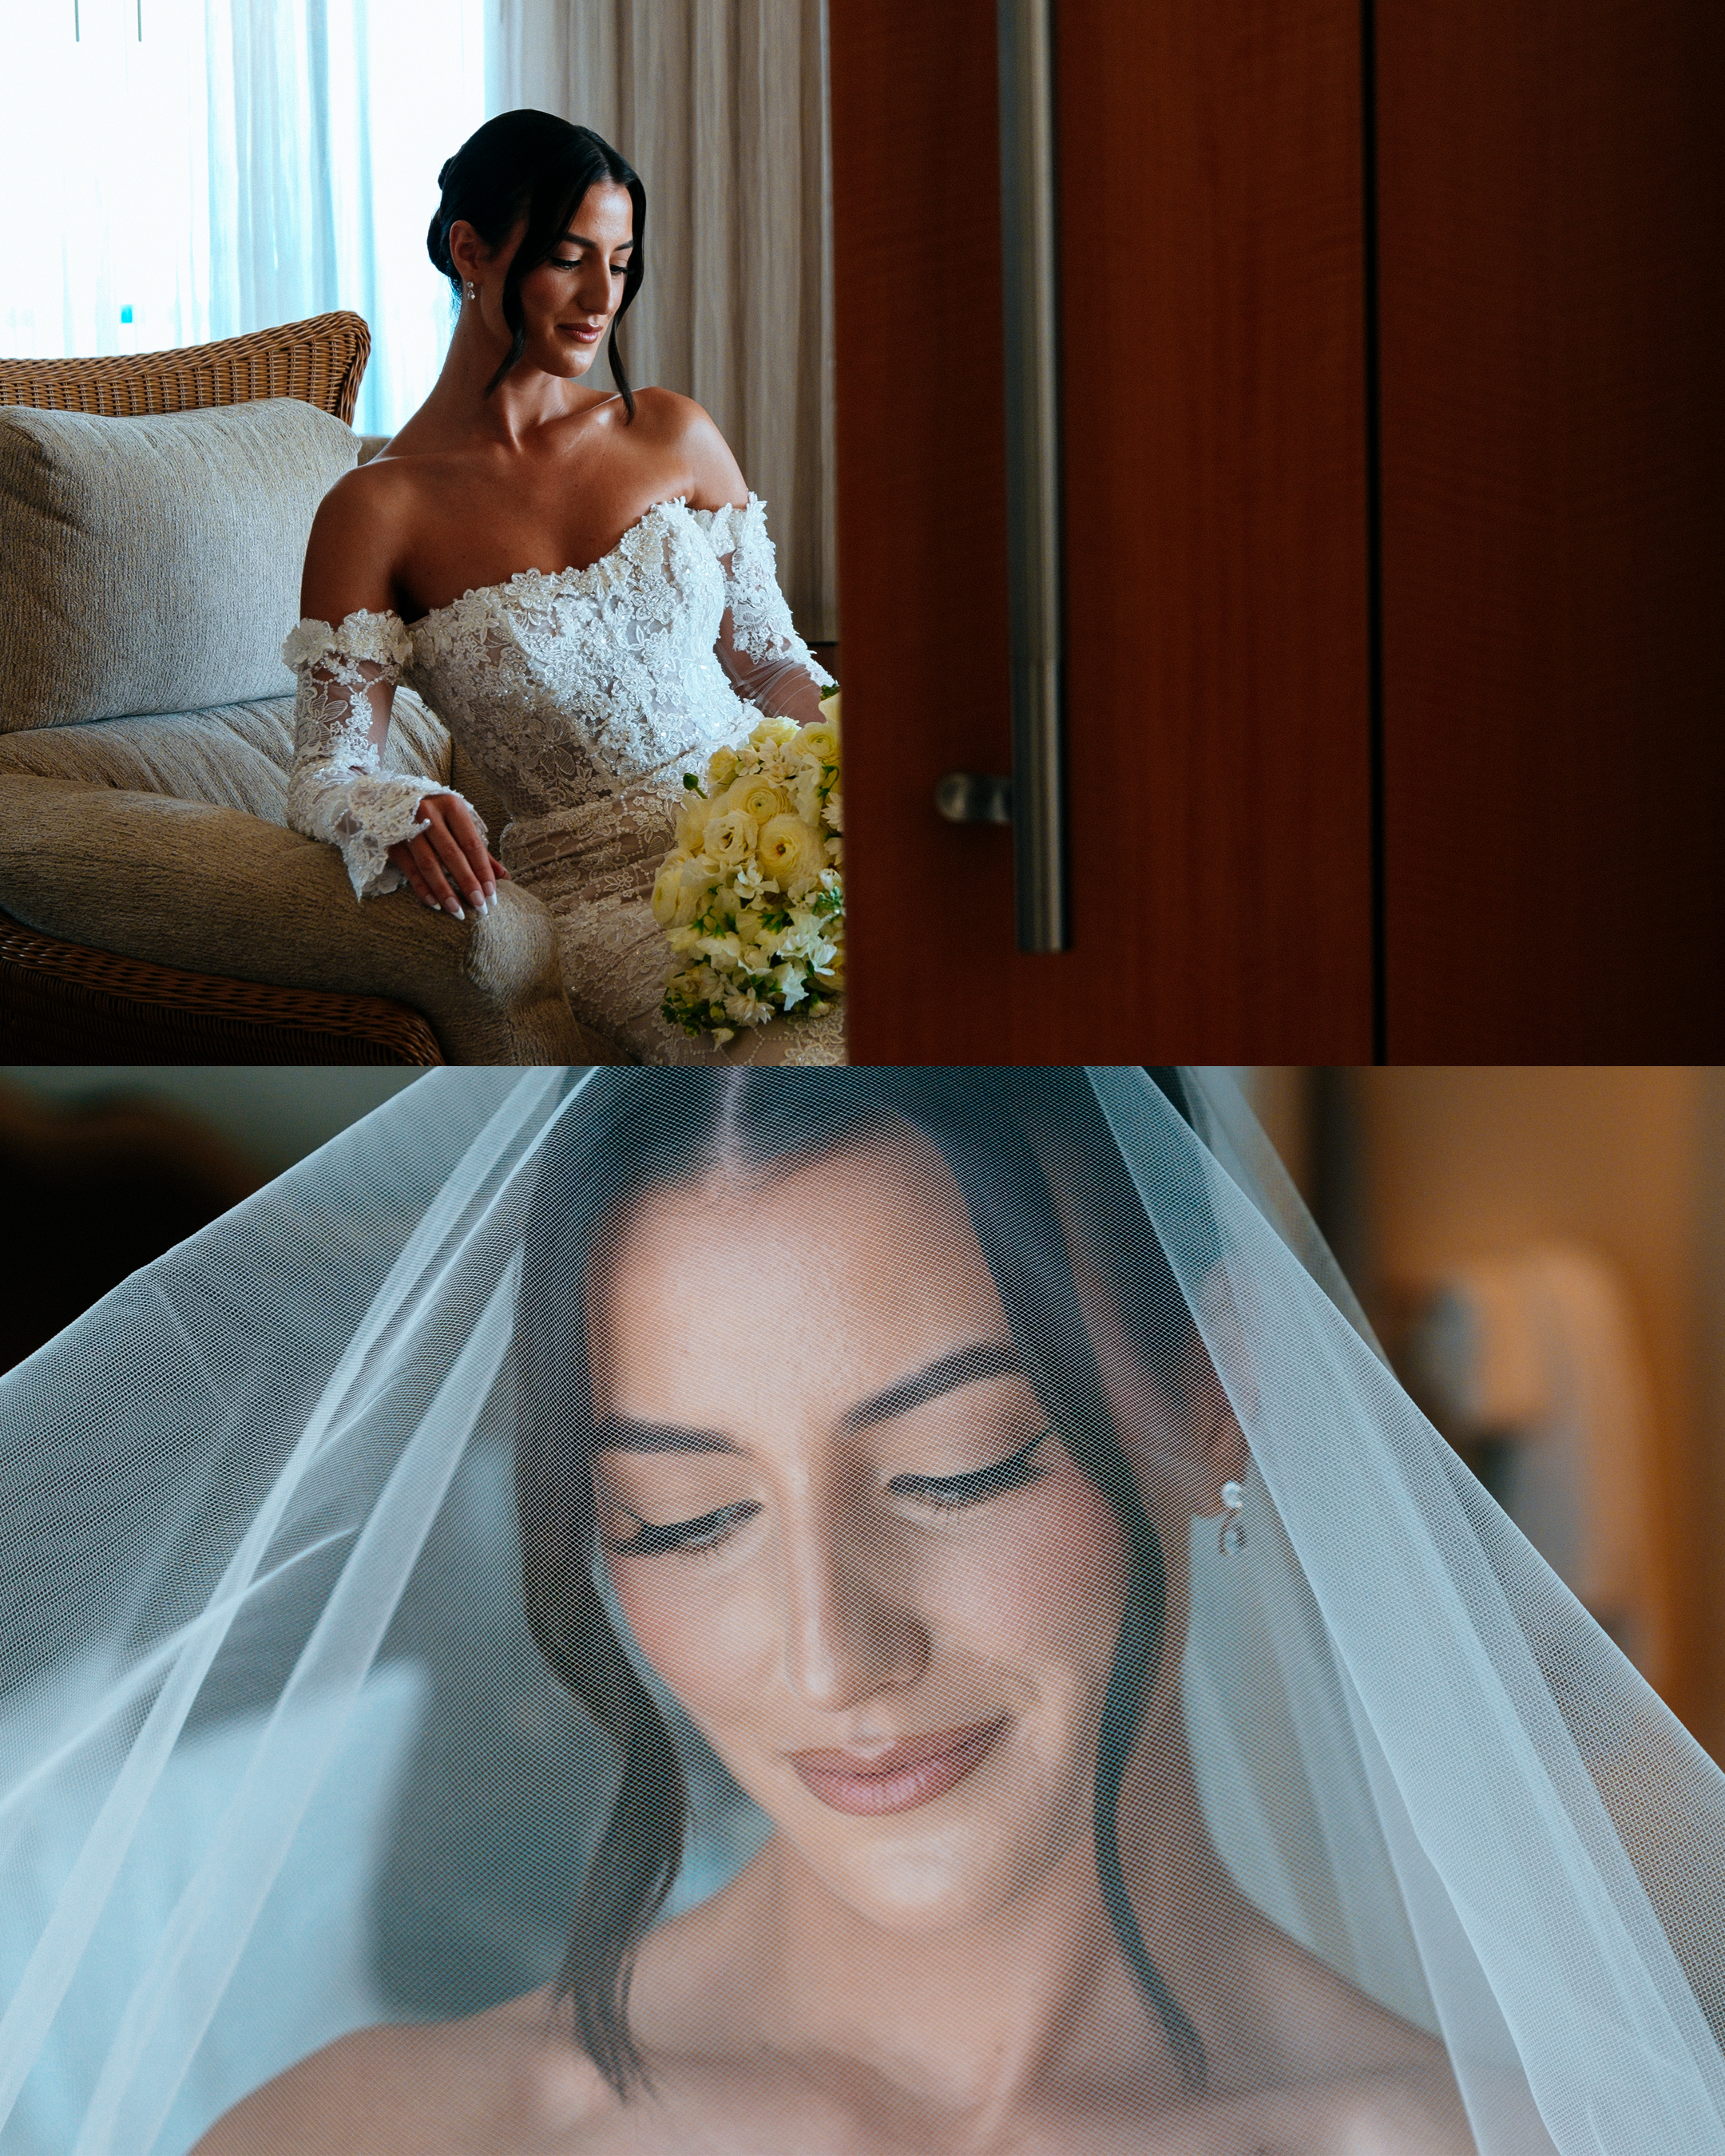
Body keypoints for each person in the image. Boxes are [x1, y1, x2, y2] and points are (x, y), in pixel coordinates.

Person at [4, 1070, 1723, 2154]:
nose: (833, 1656)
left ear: (1222, 1396)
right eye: (684, 1517)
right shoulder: (376, 2140)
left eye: (961, 1469)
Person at [284, 111, 842, 1067]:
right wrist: (398, 805)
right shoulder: (378, 509)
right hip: (610, 901)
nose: (600, 298)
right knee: (811, 1068)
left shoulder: (672, 432)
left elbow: (773, 666)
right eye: (569, 258)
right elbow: (325, 773)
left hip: (779, 833)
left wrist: (850, 768)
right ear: (472, 250)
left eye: (620, 263)